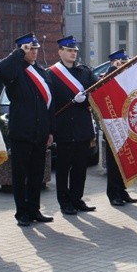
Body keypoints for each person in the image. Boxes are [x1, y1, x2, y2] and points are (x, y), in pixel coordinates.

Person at [0, 32, 55, 227]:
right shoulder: (15, 70)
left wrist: (50, 130)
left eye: (35, 48)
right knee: (20, 175)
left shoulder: (41, 71)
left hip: (40, 132)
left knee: (37, 174)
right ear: (22, 49)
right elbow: (2, 71)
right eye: (30, 48)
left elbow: (49, 104)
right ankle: (21, 212)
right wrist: (18, 53)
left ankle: (34, 209)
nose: (34, 52)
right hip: (22, 132)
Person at [47, 35, 98, 215]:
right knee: (63, 167)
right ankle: (64, 201)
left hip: (82, 127)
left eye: (75, 51)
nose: (73, 53)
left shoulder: (85, 72)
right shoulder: (51, 74)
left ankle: (77, 198)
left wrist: (85, 101)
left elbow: (95, 95)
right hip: (64, 127)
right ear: (60, 52)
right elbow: (50, 103)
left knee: (80, 166)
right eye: (69, 50)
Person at [103, 49, 137, 205]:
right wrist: (113, 69)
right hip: (113, 125)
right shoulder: (108, 77)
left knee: (124, 161)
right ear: (114, 63)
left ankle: (122, 190)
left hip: (125, 124)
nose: (126, 67)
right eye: (123, 63)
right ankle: (113, 194)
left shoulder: (125, 78)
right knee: (114, 163)